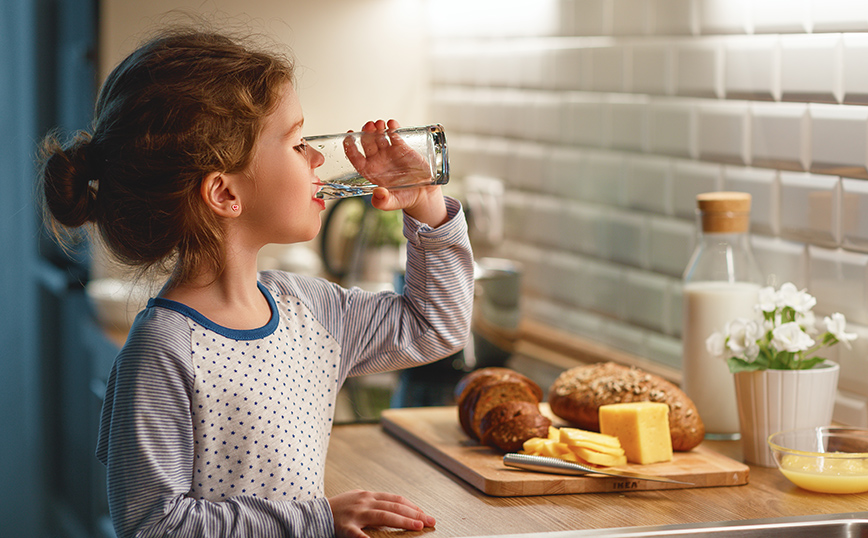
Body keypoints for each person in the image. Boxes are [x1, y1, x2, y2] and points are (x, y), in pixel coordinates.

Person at [38, 27, 474, 538]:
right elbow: (155, 526)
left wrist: (425, 205)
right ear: (224, 194)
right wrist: (318, 520)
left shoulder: (307, 309)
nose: (316, 157)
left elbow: (434, 326)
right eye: (295, 143)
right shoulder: (161, 354)